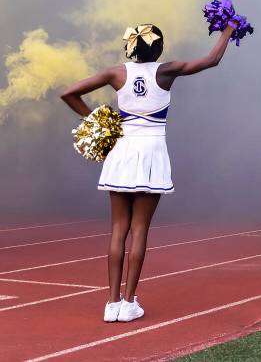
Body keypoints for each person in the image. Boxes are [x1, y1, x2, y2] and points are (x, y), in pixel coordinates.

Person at [60, 22, 236, 322]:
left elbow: (69, 93)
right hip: (152, 153)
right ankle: (129, 303)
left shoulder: (116, 73)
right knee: (139, 229)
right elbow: (211, 60)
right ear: (158, 48)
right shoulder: (167, 70)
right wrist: (229, 29)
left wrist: (97, 120)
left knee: (118, 230)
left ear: (131, 47)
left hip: (122, 152)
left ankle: (112, 303)